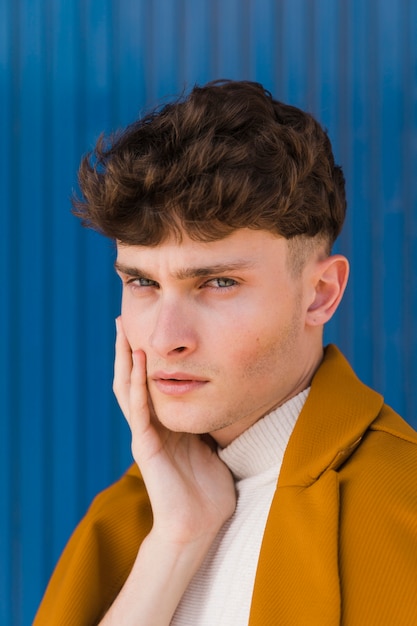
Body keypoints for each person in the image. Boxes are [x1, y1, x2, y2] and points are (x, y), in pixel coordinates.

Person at [34, 80, 417, 625]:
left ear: (321, 294)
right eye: (142, 282)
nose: (167, 338)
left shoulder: (404, 507)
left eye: (217, 283)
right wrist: (177, 539)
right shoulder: (123, 522)